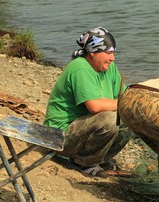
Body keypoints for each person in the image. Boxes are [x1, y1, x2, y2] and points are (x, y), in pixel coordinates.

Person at [44, 27, 131, 178]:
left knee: (130, 119)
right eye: (108, 53)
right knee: (109, 120)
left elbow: (126, 95)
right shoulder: (80, 68)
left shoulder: (109, 68)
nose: (113, 58)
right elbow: (94, 106)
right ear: (93, 52)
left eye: (113, 53)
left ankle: (100, 159)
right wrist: (122, 104)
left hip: (81, 130)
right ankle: (84, 163)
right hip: (59, 136)